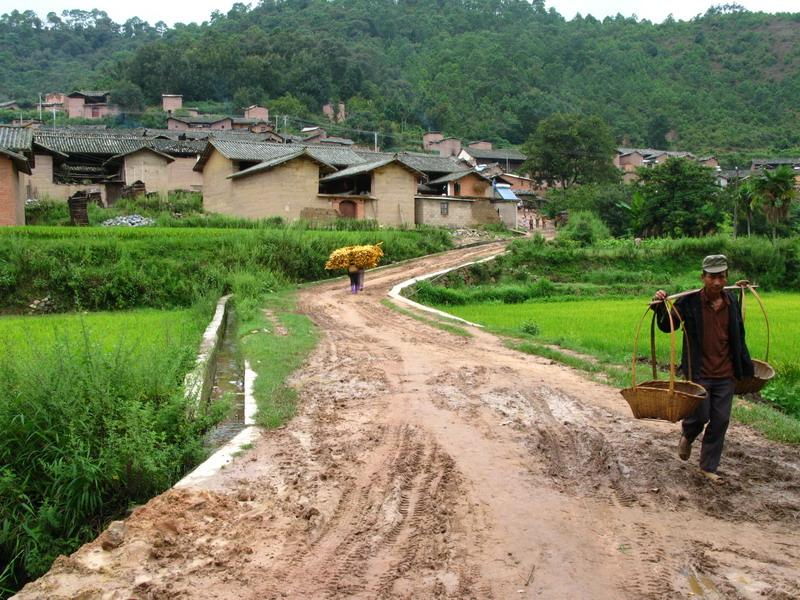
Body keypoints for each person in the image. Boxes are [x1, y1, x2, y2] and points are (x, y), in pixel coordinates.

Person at [652, 254, 754, 483]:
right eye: (712, 277)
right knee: (700, 415)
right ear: (703, 277)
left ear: (726, 277)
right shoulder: (688, 302)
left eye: (721, 277)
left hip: (725, 372)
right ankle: (688, 435)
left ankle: (708, 467)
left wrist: (743, 367)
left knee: (720, 420)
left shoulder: (731, 301)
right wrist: (660, 305)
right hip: (698, 371)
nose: (717, 282)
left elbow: (739, 335)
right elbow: (668, 326)